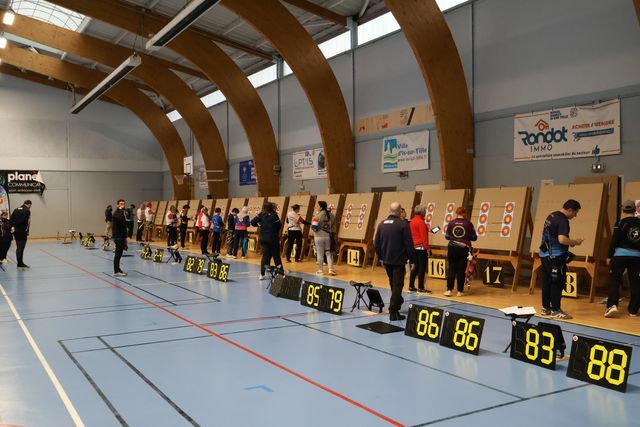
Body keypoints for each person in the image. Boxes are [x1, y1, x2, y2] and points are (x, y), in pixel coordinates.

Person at [538, 199, 583, 319]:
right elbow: (562, 239)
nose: (575, 216)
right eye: (575, 213)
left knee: (547, 282)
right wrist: (575, 242)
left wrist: (569, 242)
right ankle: (556, 310)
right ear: (570, 210)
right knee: (557, 283)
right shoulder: (563, 220)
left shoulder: (552, 215)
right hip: (555, 257)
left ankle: (546, 308)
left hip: (544, 255)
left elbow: (553, 235)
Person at [374, 202, 415, 321]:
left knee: (393, 283)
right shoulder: (403, 225)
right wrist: (412, 259)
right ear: (400, 211)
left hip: (386, 260)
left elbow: (376, 244)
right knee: (397, 285)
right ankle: (393, 311)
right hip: (398, 261)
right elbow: (409, 244)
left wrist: (381, 257)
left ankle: (398, 300)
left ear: (390, 210)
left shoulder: (382, 224)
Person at [604, 200, 640, 318]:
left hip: (620, 256)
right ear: (635, 210)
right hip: (637, 257)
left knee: (615, 280)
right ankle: (633, 310)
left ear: (623, 210)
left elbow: (614, 240)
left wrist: (609, 256)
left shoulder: (620, 222)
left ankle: (612, 305)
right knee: (635, 282)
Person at [444, 207, 477, 297]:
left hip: (452, 248)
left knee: (451, 268)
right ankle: (459, 291)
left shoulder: (451, 223)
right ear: (465, 213)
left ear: (456, 213)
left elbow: (447, 236)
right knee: (461, 270)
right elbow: (474, 237)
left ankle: (449, 290)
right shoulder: (469, 224)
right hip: (463, 249)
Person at [251, 202, 283, 280]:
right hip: (273, 238)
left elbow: (252, 222)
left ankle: (262, 274)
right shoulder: (274, 215)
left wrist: (260, 225)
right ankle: (281, 274)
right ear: (271, 207)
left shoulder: (261, 214)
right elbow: (279, 225)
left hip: (263, 238)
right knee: (276, 256)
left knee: (265, 256)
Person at [409, 205, 431, 293]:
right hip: (421, 247)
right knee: (422, 268)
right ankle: (421, 288)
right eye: (425, 211)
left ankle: (411, 286)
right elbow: (424, 237)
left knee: (415, 267)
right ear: (421, 212)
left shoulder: (412, 221)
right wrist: (427, 248)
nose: (425, 212)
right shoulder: (421, 222)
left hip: (414, 247)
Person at [312, 201, 337, 275]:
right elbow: (333, 226)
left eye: (317, 206)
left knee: (320, 254)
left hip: (318, 237)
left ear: (320, 207)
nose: (317, 207)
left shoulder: (317, 216)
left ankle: (320, 270)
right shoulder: (332, 215)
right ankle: (331, 269)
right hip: (328, 236)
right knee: (329, 253)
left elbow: (314, 227)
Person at [10, 200, 32, 269]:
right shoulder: (27, 211)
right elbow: (27, 222)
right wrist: (27, 231)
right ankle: (20, 263)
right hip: (22, 232)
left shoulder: (16, 210)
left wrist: (13, 226)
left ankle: (20, 263)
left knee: (19, 247)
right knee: (21, 247)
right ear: (29, 204)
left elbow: (11, 219)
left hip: (16, 232)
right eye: (30, 206)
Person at [112, 199, 128, 276]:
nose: (122, 205)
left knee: (120, 253)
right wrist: (122, 211)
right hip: (118, 236)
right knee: (118, 254)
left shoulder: (122, 212)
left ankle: (118, 269)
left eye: (123, 204)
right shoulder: (116, 213)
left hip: (122, 236)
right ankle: (116, 271)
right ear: (118, 205)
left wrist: (125, 237)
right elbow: (120, 219)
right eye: (121, 204)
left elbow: (124, 224)